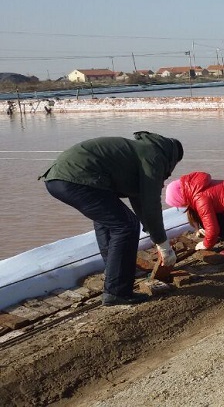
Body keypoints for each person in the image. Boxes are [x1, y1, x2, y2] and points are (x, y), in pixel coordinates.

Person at [39, 131, 183, 306]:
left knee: (110, 222)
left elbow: (141, 202)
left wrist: (155, 237)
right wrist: (163, 244)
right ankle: (117, 292)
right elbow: (151, 204)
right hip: (76, 178)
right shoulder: (155, 157)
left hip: (58, 179)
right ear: (173, 158)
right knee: (126, 226)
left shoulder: (142, 151)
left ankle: (114, 273)